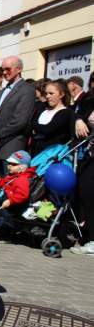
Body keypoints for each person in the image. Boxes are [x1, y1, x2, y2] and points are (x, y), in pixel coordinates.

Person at [0, 56, 36, 176]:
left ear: (19, 69)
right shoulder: (3, 91)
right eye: (2, 70)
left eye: (8, 69)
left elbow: (19, 121)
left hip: (11, 147)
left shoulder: (26, 90)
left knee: (9, 188)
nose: (4, 73)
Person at [70, 71, 94, 255]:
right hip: (90, 153)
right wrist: (79, 120)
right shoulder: (88, 101)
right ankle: (89, 237)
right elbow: (77, 115)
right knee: (85, 191)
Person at [24, 79, 72, 157]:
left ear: (61, 94)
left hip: (51, 154)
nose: (48, 96)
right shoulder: (43, 111)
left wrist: (35, 127)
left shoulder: (65, 112)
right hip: (35, 152)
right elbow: (27, 130)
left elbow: (47, 129)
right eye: (46, 93)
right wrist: (37, 129)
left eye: (51, 93)